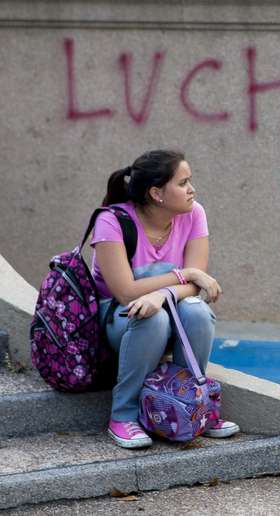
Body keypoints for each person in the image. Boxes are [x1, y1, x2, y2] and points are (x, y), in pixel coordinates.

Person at [91, 149, 239, 449]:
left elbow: (194, 286)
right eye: (183, 183)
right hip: (119, 317)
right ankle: (123, 415)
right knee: (152, 318)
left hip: (166, 307)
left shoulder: (194, 213)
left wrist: (163, 293)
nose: (192, 189)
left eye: (190, 181)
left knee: (196, 311)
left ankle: (195, 407)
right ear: (157, 193)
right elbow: (126, 291)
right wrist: (185, 275)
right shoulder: (112, 220)